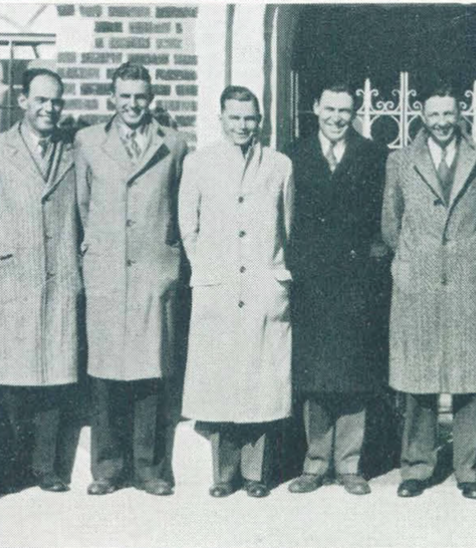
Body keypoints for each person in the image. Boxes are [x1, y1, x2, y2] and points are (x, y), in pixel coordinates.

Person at [75, 62, 188, 497]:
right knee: (105, 375)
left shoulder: (173, 145)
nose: (132, 104)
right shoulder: (88, 142)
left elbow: (177, 207)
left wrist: (167, 258)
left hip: (152, 271)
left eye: (140, 96)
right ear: (113, 97)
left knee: (150, 372)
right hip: (107, 271)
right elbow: (84, 207)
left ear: (151, 98)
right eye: (124, 96)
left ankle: (149, 469)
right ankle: (106, 468)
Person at [178, 86, 293, 498]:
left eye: (250, 118)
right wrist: (208, 270)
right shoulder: (199, 163)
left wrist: (274, 273)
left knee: (261, 381)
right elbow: (187, 227)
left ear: (259, 120)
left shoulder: (279, 165)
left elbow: (288, 226)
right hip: (219, 287)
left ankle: (256, 475)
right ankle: (223, 475)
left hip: (263, 285)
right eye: (235, 118)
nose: (243, 125)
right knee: (220, 381)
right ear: (221, 118)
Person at [0, 68, 82, 493]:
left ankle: (46, 468)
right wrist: (6, 257)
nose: (49, 108)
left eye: (56, 101)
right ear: (23, 101)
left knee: (54, 375)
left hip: (59, 278)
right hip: (16, 280)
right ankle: (13, 469)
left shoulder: (71, 151)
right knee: (14, 378)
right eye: (41, 100)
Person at [382, 82, 476, 500]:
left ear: (460, 113)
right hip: (419, 278)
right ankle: (416, 467)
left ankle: (469, 470)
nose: (442, 122)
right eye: (434, 115)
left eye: (449, 114)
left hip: (466, 277)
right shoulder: (400, 160)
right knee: (419, 380)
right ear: (421, 116)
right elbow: (390, 222)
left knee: (467, 380)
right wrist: (413, 261)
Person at [284, 80, 389, 495]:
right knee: (314, 376)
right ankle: (314, 462)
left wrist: (373, 267)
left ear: (355, 113)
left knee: (353, 375)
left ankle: (349, 464)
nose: (336, 118)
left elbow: (383, 220)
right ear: (315, 107)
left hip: (355, 282)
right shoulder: (292, 155)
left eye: (344, 111)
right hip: (310, 282)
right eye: (329, 109)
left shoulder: (374, 156)